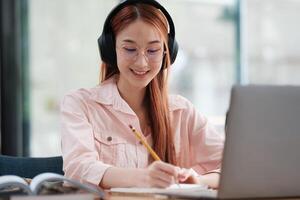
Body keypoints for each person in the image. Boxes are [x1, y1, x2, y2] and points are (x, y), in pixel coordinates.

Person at [60, 0, 224, 190]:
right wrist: (144, 179)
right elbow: (78, 169)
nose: (142, 63)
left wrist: (198, 181)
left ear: (166, 51)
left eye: (153, 50)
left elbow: (233, 166)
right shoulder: (81, 104)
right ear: (111, 49)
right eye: (130, 49)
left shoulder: (182, 112)